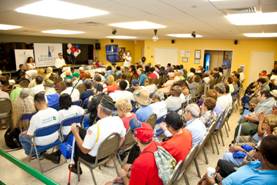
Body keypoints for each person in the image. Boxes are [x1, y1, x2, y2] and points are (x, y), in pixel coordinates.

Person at [69, 95, 126, 174]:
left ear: (100, 109)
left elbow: (85, 150)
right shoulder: (118, 120)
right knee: (81, 131)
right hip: (108, 152)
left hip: (94, 157)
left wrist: (75, 133)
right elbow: (122, 138)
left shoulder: (94, 129)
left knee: (76, 142)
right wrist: (113, 150)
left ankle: (75, 165)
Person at [198, 135, 277, 185]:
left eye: (256, 149)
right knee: (217, 167)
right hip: (228, 178)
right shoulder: (260, 163)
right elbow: (240, 169)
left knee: (205, 181)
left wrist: (213, 182)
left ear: (263, 156)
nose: (254, 150)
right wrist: (246, 160)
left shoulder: (260, 181)